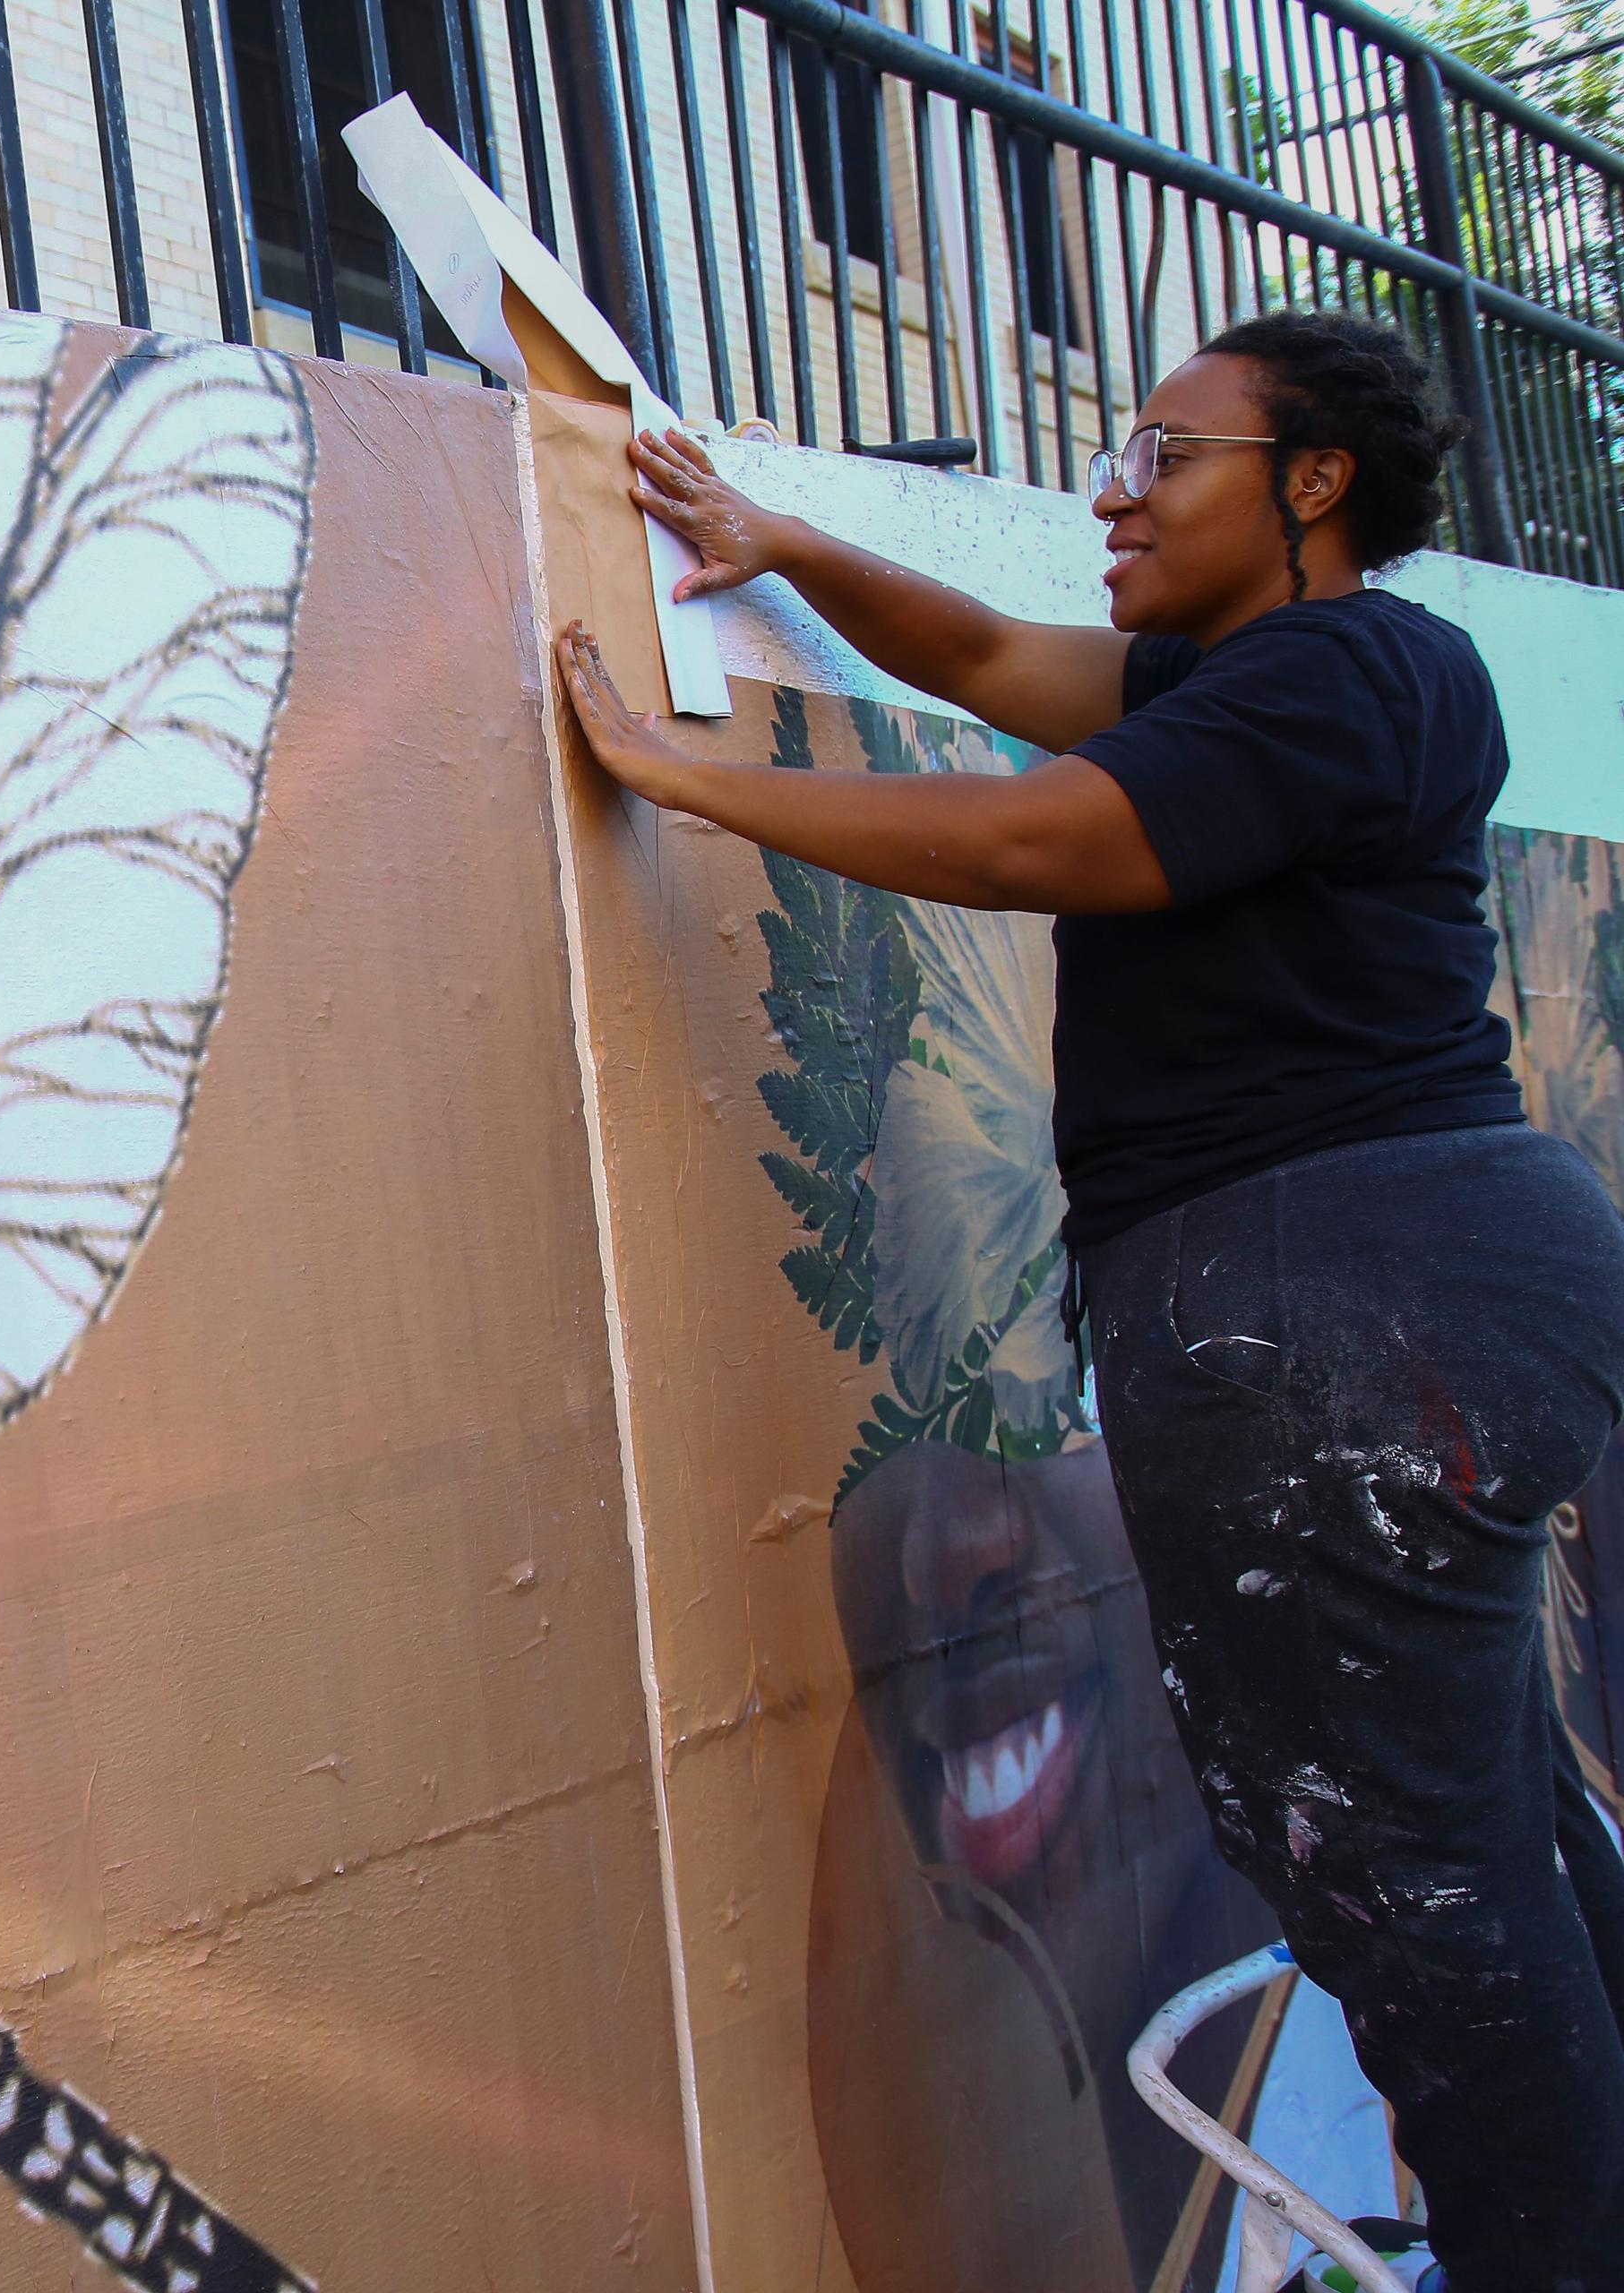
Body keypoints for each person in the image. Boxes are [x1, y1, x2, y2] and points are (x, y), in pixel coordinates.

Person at [555, 309, 1624, 2293]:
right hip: (1414, 1276)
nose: (1110, 492)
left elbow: (1045, 828)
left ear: (1314, 483)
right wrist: (784, 541)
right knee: (1490, 1829)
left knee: (1415, 1881)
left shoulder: (1343, 665)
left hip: (1338, 1293)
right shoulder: (1262, 678)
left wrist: (677, 778)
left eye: (1163, 455)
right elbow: (991, 666)